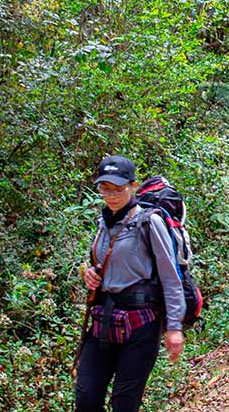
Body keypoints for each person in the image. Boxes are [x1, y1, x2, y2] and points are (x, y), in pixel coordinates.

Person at [76, 155, 185, 412]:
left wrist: (174, 327)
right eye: (105, 189)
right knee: (86, 398)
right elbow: (108, 263)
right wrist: (91, 274)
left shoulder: (149, 222)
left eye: (118, 189)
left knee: (125, 402)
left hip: (140, 324)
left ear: (133, 186)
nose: (111, 195)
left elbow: (171, 277)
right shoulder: (103, 222)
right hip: (104, 320)